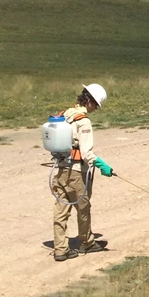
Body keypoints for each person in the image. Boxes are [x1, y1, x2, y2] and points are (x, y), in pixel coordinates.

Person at [51, 83, 114, 261]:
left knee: (61, 211)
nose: (95, 109)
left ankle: (60, 249)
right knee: (83, 208)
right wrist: (102, 165)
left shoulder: (64, 115)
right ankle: (86, 242)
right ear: (91, 102)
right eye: (96, 105)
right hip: (77, 172)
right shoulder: (83, 121)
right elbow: (86, 153)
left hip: (60, 169)